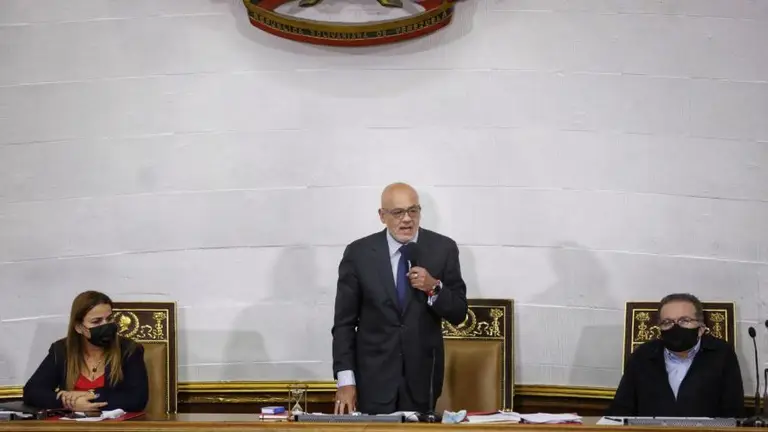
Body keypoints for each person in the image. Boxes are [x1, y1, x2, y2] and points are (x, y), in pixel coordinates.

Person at [332, 182, 468, 415]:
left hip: (423, 381)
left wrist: (434, 288)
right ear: (382, 216)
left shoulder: (443, 249)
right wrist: (345, 381)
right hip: (372, 380)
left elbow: (459, 313)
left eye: (413, 211)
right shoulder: (359, 253)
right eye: (398, 212)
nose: (407, 219)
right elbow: (344, 324)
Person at [607, 293, 744, 418]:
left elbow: (732, 413)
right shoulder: (642, 356)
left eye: (684, 320)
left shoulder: (721, 355)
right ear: (660, 329)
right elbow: (621, 410)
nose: (676, 327)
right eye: (667, 322)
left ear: (701, 328)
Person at [23, 291, 149, 412]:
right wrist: (69, 402)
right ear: (79, 327)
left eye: (109, 319)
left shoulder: (129, 350)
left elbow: (137, 399)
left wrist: (91, 395)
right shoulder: (61, 350)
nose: (105, 325)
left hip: (114, 424)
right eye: (96, 321)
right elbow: (32, 391)